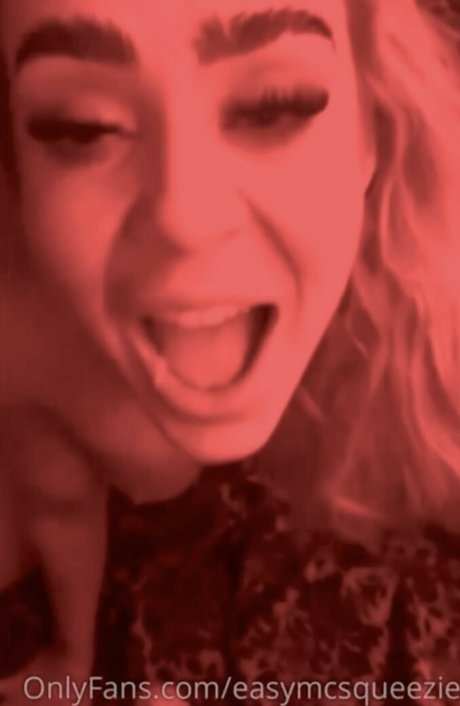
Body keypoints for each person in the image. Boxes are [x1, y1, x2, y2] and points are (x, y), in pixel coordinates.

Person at [0, 0, 459, 704]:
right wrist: (74, 661)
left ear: (373, 125)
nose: (184, 216)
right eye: (81, 126)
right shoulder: (26, 350)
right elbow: (57, 505)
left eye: (275, 104)